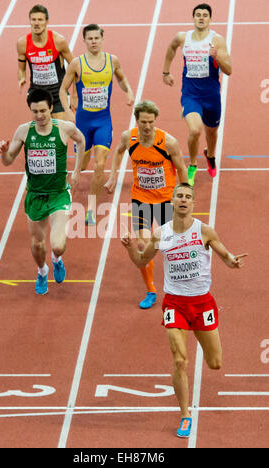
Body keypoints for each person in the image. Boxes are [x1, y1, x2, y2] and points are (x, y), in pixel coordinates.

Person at [121, 182, 247, 438]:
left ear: (193, 203)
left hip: (202, 304)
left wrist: (232, 261)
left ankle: (188, 403)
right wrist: (130, 248)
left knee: (215, 363)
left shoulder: (204, 231)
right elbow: (141, 262)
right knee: (179, 360)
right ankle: (185, 415)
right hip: (175, 304)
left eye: (188, 197)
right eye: (179, 195)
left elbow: (225, 255)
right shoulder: (161, 234)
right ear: (172, 200)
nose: (183, 200)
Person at [0, 89, 85, 295]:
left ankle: (57, 260)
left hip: (59, 194)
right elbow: (8, 161)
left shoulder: (65, 128)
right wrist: (3, 153)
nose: (39, 116)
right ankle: (42, 270)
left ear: (51, 108)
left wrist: (77, 169)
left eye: (43, 110)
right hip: (35, 195)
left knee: (58, 245)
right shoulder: (24, 131)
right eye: (34, 111)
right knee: (37, 245)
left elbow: (81, 141)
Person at [105, 100, 188, 309]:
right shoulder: (129, 137)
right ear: (137, 120)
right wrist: (113, 176)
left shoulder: (168, 142)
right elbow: (118, 151)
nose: (148, 126)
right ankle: (150, 289)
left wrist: (184, 195)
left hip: (165, 200)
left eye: (151, 122)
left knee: (170, 247)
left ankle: (179, 286)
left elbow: (181, 168)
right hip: (140, 199)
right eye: (144, 122)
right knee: (143, 245)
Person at [59, 23, 134, 225]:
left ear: (102, 39)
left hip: (103, 122)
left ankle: (91, 208)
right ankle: (64, 186)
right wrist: (67, 110)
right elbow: (62, 89)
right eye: (89, 38)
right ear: (84, 41)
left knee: (100, 164)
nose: (93, 41)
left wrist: (128, 91)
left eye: (96, 38)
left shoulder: (112, 61)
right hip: (83, 124)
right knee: (81, 165)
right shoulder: (77, 63)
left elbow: (122, 79)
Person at [162, 3, 232, 186]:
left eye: (205, 15)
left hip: (211, 95)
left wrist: (216, 57)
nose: (201, 17)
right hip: (190, 94)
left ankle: (210, 155)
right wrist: (166, 72)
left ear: (210, 19)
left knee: (212, 133)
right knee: (194, 129)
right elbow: (170, 49)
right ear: (193, 18)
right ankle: (192, 164)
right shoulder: (182, 37)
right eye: (198, 14)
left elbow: (229, 70)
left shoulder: (217, 40)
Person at [17, 4, 75, 121]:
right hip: (37, 92)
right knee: (42, 131)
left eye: (40, 20)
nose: (36, 23)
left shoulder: (58, 41)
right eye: (33, 20)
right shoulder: (22, 43)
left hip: (58, 92)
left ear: (47, 21)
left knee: (59, 131)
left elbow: (75, 67)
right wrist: (22, 78)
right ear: (30, 21)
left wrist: (75, 94)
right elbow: (21, 69)